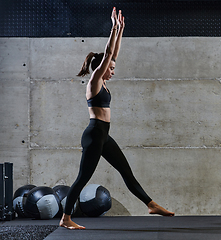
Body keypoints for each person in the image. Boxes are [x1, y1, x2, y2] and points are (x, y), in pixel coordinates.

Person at [59, 8, 174, 230]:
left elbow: (114, 53)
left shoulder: (104, 83)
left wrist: (122, 30)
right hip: (93, 136)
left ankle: (150, 204)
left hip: (104, 136)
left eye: (112, 68)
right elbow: (109, 53)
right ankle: (65, 219)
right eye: (110, 68)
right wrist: (113, 28)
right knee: (82, 179)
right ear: (101, 69)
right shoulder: (94, 82)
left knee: (125, 171)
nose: (113, 71)